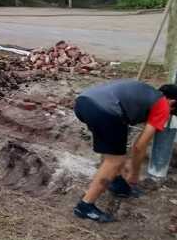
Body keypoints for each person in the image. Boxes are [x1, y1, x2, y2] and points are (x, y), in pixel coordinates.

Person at [73, 79, 177, 222]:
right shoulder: (163, 105)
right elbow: (139, 147)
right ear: (172, 102)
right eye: (173, 112)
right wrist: (134, 175)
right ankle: (85, 206)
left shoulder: (147, 93)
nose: (169, 115)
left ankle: (117, 183)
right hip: (106, 110)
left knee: (113, 151)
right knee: (115, 161)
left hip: (84, 102)